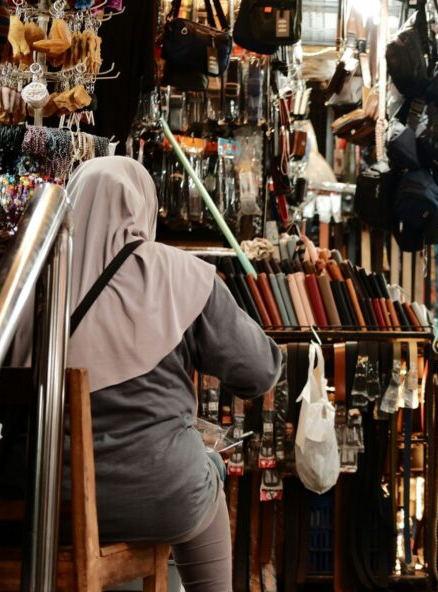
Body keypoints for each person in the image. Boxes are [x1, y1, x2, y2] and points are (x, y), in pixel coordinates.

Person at [56, 157, 282, 590]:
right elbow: (259, 371)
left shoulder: (34, 280)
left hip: (49, 500)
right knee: (205, 473)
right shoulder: (181, 275)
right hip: (160, 495)